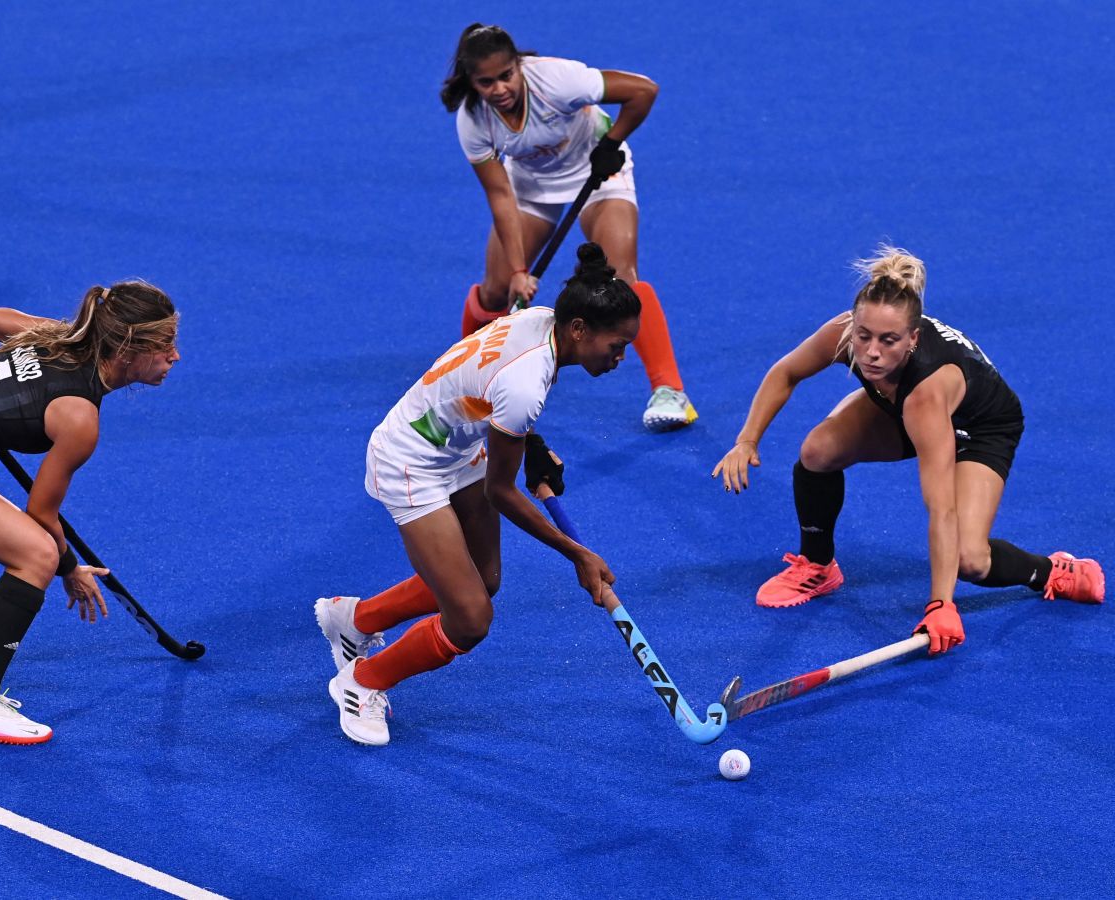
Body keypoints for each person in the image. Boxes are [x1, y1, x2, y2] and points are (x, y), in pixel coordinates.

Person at [317, 243, 638, 745]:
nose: (620, 358)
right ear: (580, 329)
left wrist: (532, 446)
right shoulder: (529, 381)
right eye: (616, 346)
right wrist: (577, 553)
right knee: (470, 618)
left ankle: (353, 619)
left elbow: (490, 387)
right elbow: (502, 492)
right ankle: (361, 682)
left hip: (458, 443)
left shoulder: (543, 320)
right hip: (411, 461)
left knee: (483, 580)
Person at [711, 246, 1104, 653]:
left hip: (981, 426)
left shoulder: (926, 396)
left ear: (913, 339)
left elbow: (941, 508)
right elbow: (786, 372)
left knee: (971, 560)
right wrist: (747, 440)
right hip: (899, 404)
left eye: (888, 340)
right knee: (818, 450)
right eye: (864, 337)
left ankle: (1049, 571)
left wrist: (941, 604)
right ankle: (817, 564)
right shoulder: (846, 333)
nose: (872, 352)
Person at [0, 281, 180, 743]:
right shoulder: (79, 418)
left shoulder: (53, 333)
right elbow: (41, 515)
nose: (174, 357)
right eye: (163, 347)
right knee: (35, 554)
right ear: (127, 349)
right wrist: (69, 568)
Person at [441, 23, 697, 433]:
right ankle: (463, 383)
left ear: (518, 65)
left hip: (596, 171)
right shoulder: (473, 120)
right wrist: (520, 270)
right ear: (471, 82)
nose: (500, 88)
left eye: (506, 75)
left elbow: (644, 90)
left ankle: (670, 392)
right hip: (530, 185)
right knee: (495, 288)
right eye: (486, 82)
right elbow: (501, 198)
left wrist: (611, 142)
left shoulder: (556, 80)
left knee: (623, 278)